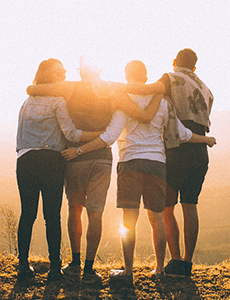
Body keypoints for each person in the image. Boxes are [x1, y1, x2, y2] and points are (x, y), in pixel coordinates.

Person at [62, 60, 215, 283]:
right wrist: (205, 139)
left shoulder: (124, 100)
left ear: (126, 76)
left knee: (129, 220)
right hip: (157, 164)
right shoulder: (162, 101)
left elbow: (109, 137)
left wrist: (79, 150)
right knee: (157, 219)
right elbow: (181, 133)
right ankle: (160, 269)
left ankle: (128, 271)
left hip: (130, 163)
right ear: (145, 78)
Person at [26, 56, 162, 284]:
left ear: (81, 72)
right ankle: (89, 269)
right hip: (102, 157)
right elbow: (141, 109)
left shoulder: (69, 88)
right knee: (95, 213)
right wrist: (159, 91)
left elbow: (32, 88)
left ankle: (75, 263)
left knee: (75, 208)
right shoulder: (112, 90)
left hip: (74, 156)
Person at [119, 49, 214, 277]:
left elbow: (147, 90)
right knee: (190, 205)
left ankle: (175, 261)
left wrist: (113, 88)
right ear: (195, 66)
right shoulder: (205, 88)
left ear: (174, 63)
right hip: (199, 151)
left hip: (176, 149)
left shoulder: (170, 78)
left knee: (167, 208)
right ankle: (187, 264)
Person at [16, 58, 101, 281]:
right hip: (51, 161)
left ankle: (23, 266)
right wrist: (99, 135)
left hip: (25, 160)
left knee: (27, 214)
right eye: (59, 72)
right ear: (49, 76)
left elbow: (20, 137)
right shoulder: (58, 101)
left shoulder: (27, 101)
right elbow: (71, 134)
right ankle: (55, 268)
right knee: (52, 216)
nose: (64, 74)